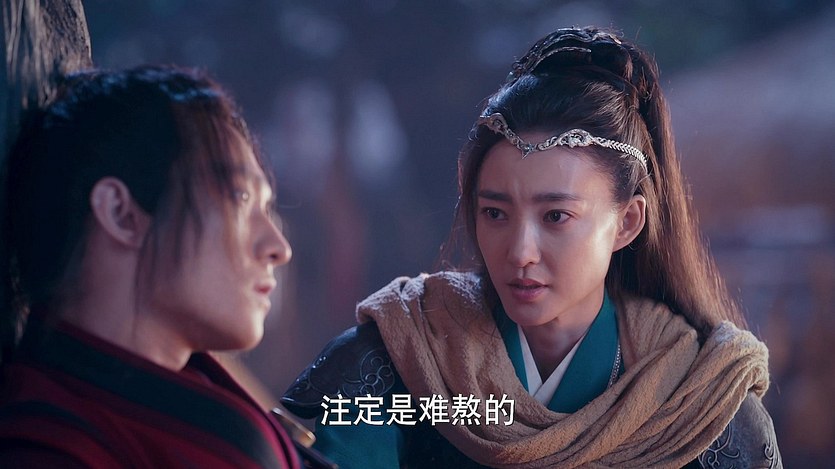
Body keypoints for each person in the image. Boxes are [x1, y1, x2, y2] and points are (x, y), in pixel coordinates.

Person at [281, 27, 781, 468]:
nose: (520, 252)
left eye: (556, 216)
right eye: (495, 213)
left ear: (627, 222)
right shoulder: (400, 359)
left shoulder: (700, 401)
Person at [0, 65, 300, 468]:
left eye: (267, 209)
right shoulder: (50, 451)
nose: (279, 248)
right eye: (240, 198)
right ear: (122, 214)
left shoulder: (177, 404)